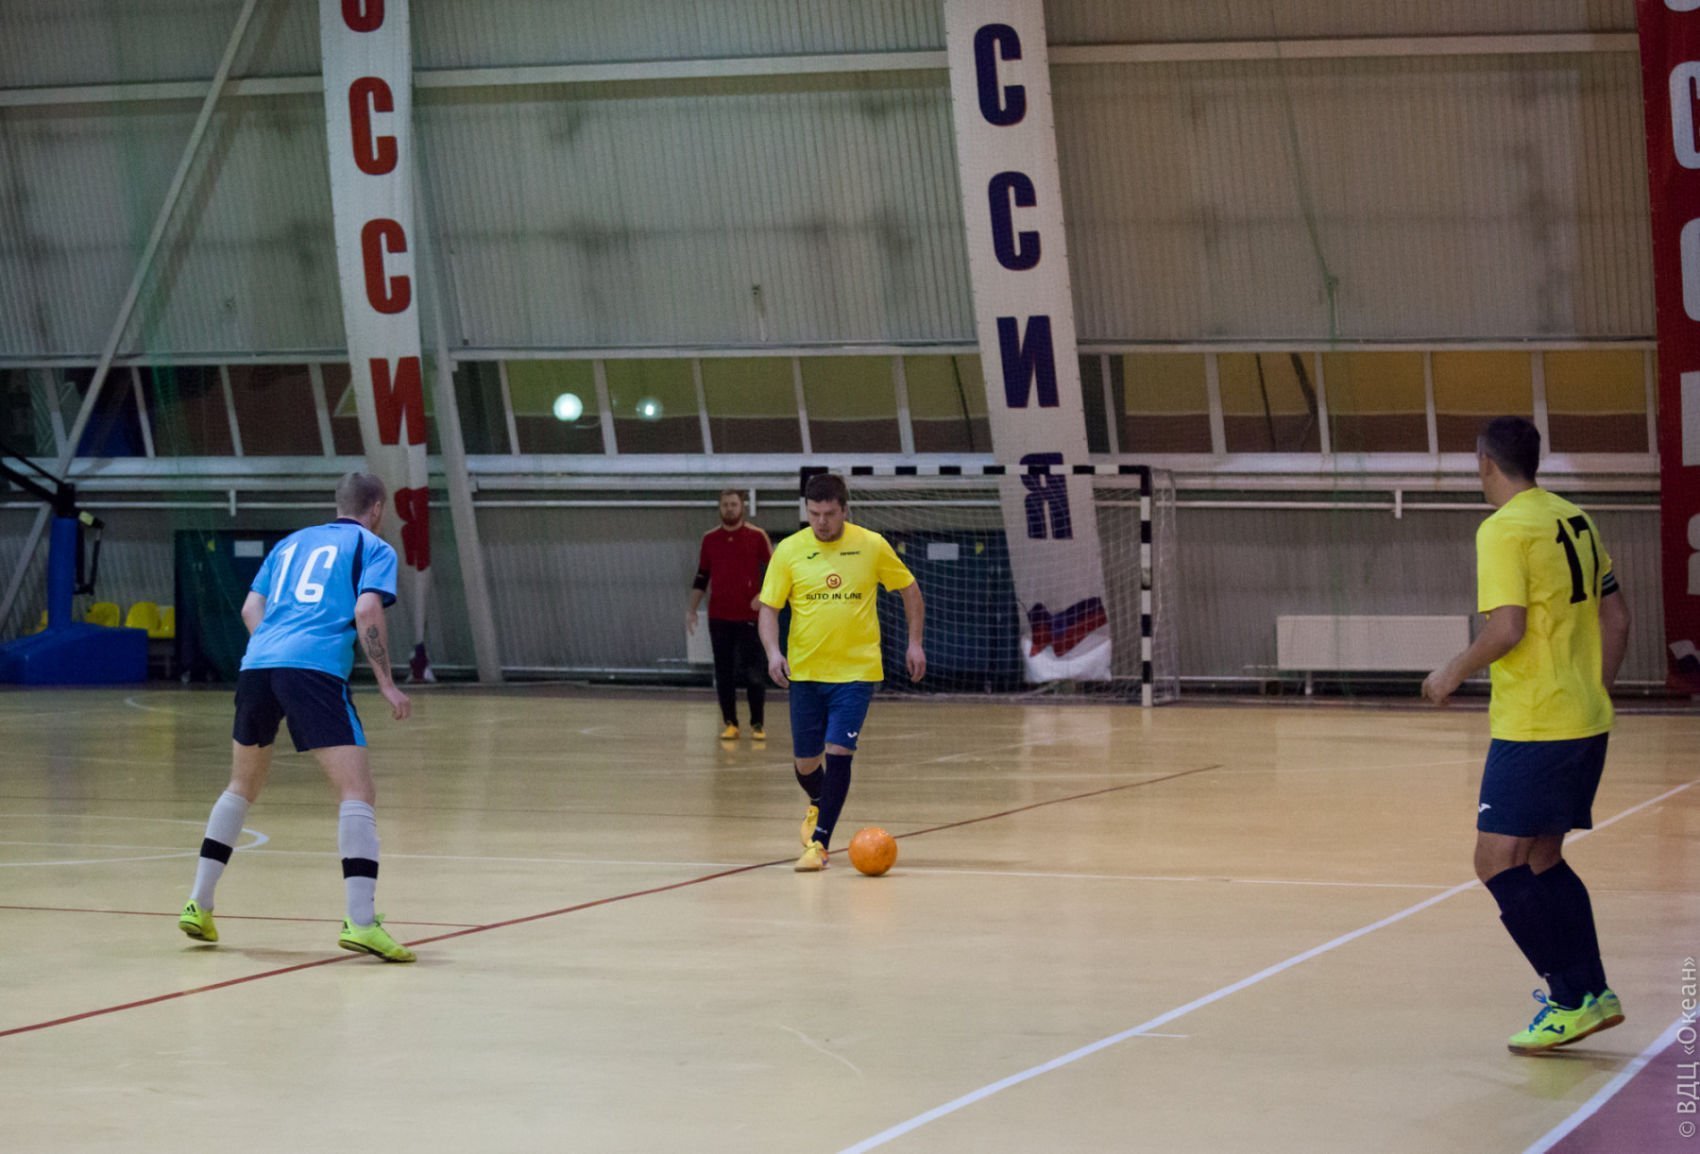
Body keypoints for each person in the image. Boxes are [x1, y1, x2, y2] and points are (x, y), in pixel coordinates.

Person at [1422, 416, 1632, 1053]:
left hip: (1536, 725)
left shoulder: (1503, 528)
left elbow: (1507, 627)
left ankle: (1569, 999)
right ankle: (1593, 993)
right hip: (1584, 717)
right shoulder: (1575, 518)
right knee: (1543, 859)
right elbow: (1617, 617)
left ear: (1485, 461)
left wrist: (1450, 671)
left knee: (1494, 862)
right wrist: (1593, 688)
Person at [177, 472, 416, 962]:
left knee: (241, 786)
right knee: (357, 791)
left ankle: (198, 903)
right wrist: (387, 683)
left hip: (258, 665)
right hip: (314, 668)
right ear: (376, 508)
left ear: (338, 503)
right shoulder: (373, 547)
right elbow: (367, 610)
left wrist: (276, 648)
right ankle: (361, 922)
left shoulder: (289, 544)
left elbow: (251, 608)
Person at [758, 473, 925, 871]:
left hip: (856, 672)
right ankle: (819, 801)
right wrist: (773, 653)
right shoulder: (789, 550)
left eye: (829, 514)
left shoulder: (871, 545)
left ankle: (819, 844)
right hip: (805, 673)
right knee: (806, 764)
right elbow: (769, 609)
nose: (821, 522)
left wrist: (915, 642)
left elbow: (910, 590)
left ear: (845, 510)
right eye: (814, 513)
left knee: (839, 752)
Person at [687, 488, 773, 742]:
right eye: (725, 504)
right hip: (719, 617)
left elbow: (777, 570)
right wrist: (692, 609)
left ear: (742, 506)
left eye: (733, 504)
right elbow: (702, 576)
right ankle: (730, 723)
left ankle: (757, 724)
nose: (729, 508)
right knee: (724, 672)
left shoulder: (757, 536)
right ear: (720, 507)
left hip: (750, 617)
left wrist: (764, 595)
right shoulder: (710, 539)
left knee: (754, 672)